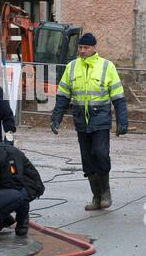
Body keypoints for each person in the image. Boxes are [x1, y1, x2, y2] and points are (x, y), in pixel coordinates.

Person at [50, 33, 128, 211]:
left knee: (100, 153)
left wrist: (122, 121)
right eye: (80, 48)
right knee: (87, 160)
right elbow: (62, 96)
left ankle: (106, 193)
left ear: (94, 48)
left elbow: (118, 97)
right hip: (81, 122)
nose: (82, 51)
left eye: (86, 48)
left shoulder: (107, 66)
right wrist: (56, 118)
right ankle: (96, 196)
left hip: (100, 120)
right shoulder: (71, 67)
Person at [0, 142, 45, 236]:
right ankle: (4, 219)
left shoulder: (10, 154)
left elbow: (14, 181)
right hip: (14, 182)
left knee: (17, 195)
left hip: (29, 184)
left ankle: (22, 221)